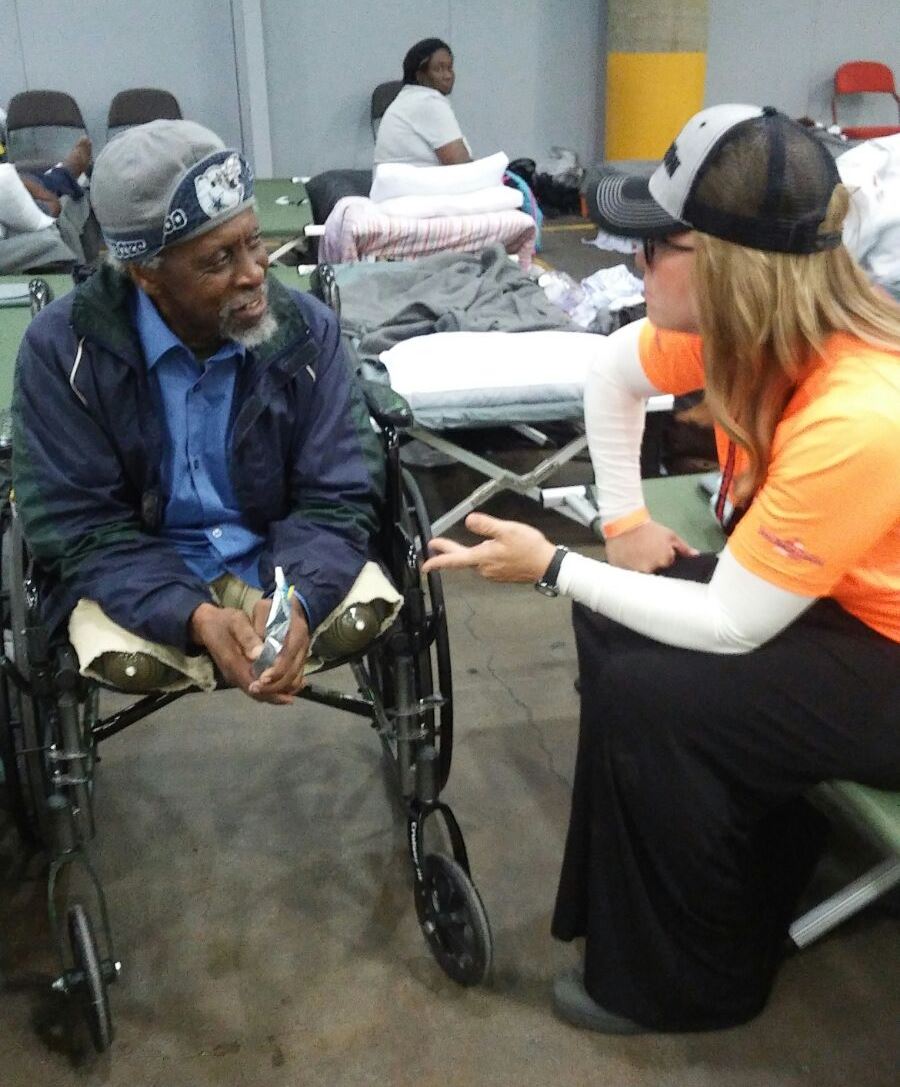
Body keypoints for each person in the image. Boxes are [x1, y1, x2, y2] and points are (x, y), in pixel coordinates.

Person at [422, 105, 900, 1032]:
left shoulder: (859, 409)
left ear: (727, 263)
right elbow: (611, 369)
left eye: (652, 250)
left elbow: (732, 624)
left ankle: (692, 982)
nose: (631, 268)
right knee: (620, 627)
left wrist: (555, 563)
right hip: (846, 609)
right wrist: (623, 518)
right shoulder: (758, 334)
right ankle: (749, 843)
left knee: (652, 696)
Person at [12, 119, 392, 703]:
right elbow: (80, 529)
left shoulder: (306, 334)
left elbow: (338, 492)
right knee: (112, 652)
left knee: (372, 607)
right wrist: (190, 614)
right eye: (218, 260)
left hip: (280, 562)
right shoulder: (62, 354)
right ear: (145, 275)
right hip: (143, 575)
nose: (254, 272)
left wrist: (299, 597)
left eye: (254, 241)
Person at [373, 37, 472, 167]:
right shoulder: (427, 101)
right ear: (420, 75)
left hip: (405, 186)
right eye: (439, 69)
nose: (448, 75)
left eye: (449, 68)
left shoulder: (408, 98)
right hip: (420, 187)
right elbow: (461, 166)